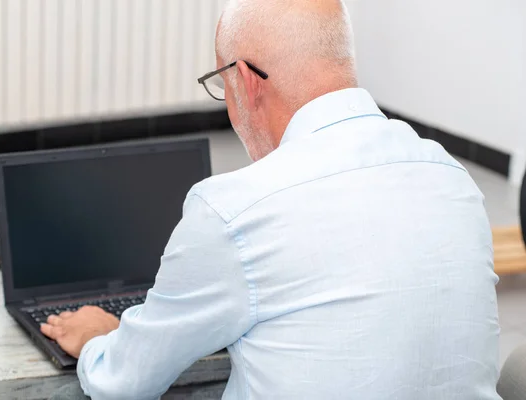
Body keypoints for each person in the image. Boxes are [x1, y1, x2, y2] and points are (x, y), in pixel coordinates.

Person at [48, 0, 501, 399]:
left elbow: (126, 382)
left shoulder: (235, 210)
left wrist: (98, 340)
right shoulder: (451, 176)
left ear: (245, 80)